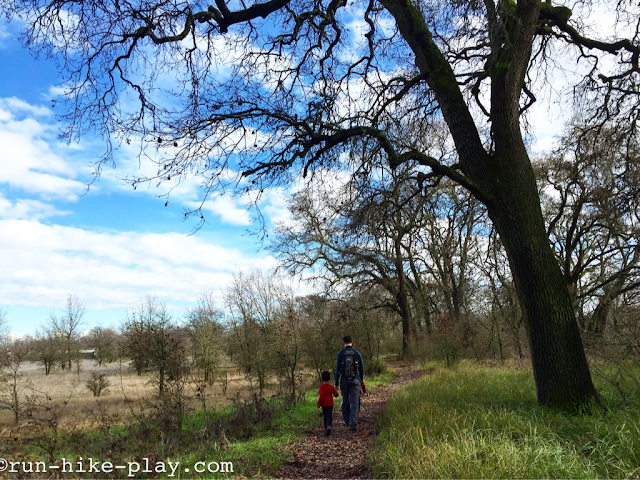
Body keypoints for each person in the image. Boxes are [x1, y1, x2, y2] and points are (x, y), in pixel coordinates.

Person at [335, 335, 364, 431]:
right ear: (352, 342)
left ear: (344, 343)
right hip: (355, 380)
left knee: (345, 400)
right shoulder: (357, 353)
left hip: (344, 380)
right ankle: (353, 423)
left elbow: (337, 369)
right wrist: (361, 379)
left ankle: (346, 420)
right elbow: (361, 368)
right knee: (355, 402)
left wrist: (336, 382)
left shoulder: (341, 354)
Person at [317, 371, 339, 435]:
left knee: (325, 415)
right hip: (330, 403)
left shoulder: (321, 387)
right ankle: (329, 426)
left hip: (324, 404)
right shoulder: (331, 387)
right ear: (329, 379)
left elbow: (321, 396)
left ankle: (326, 427)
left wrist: (319, 403)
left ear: (322, 379)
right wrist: (335, 392)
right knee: (330, 415)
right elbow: (336, 394)